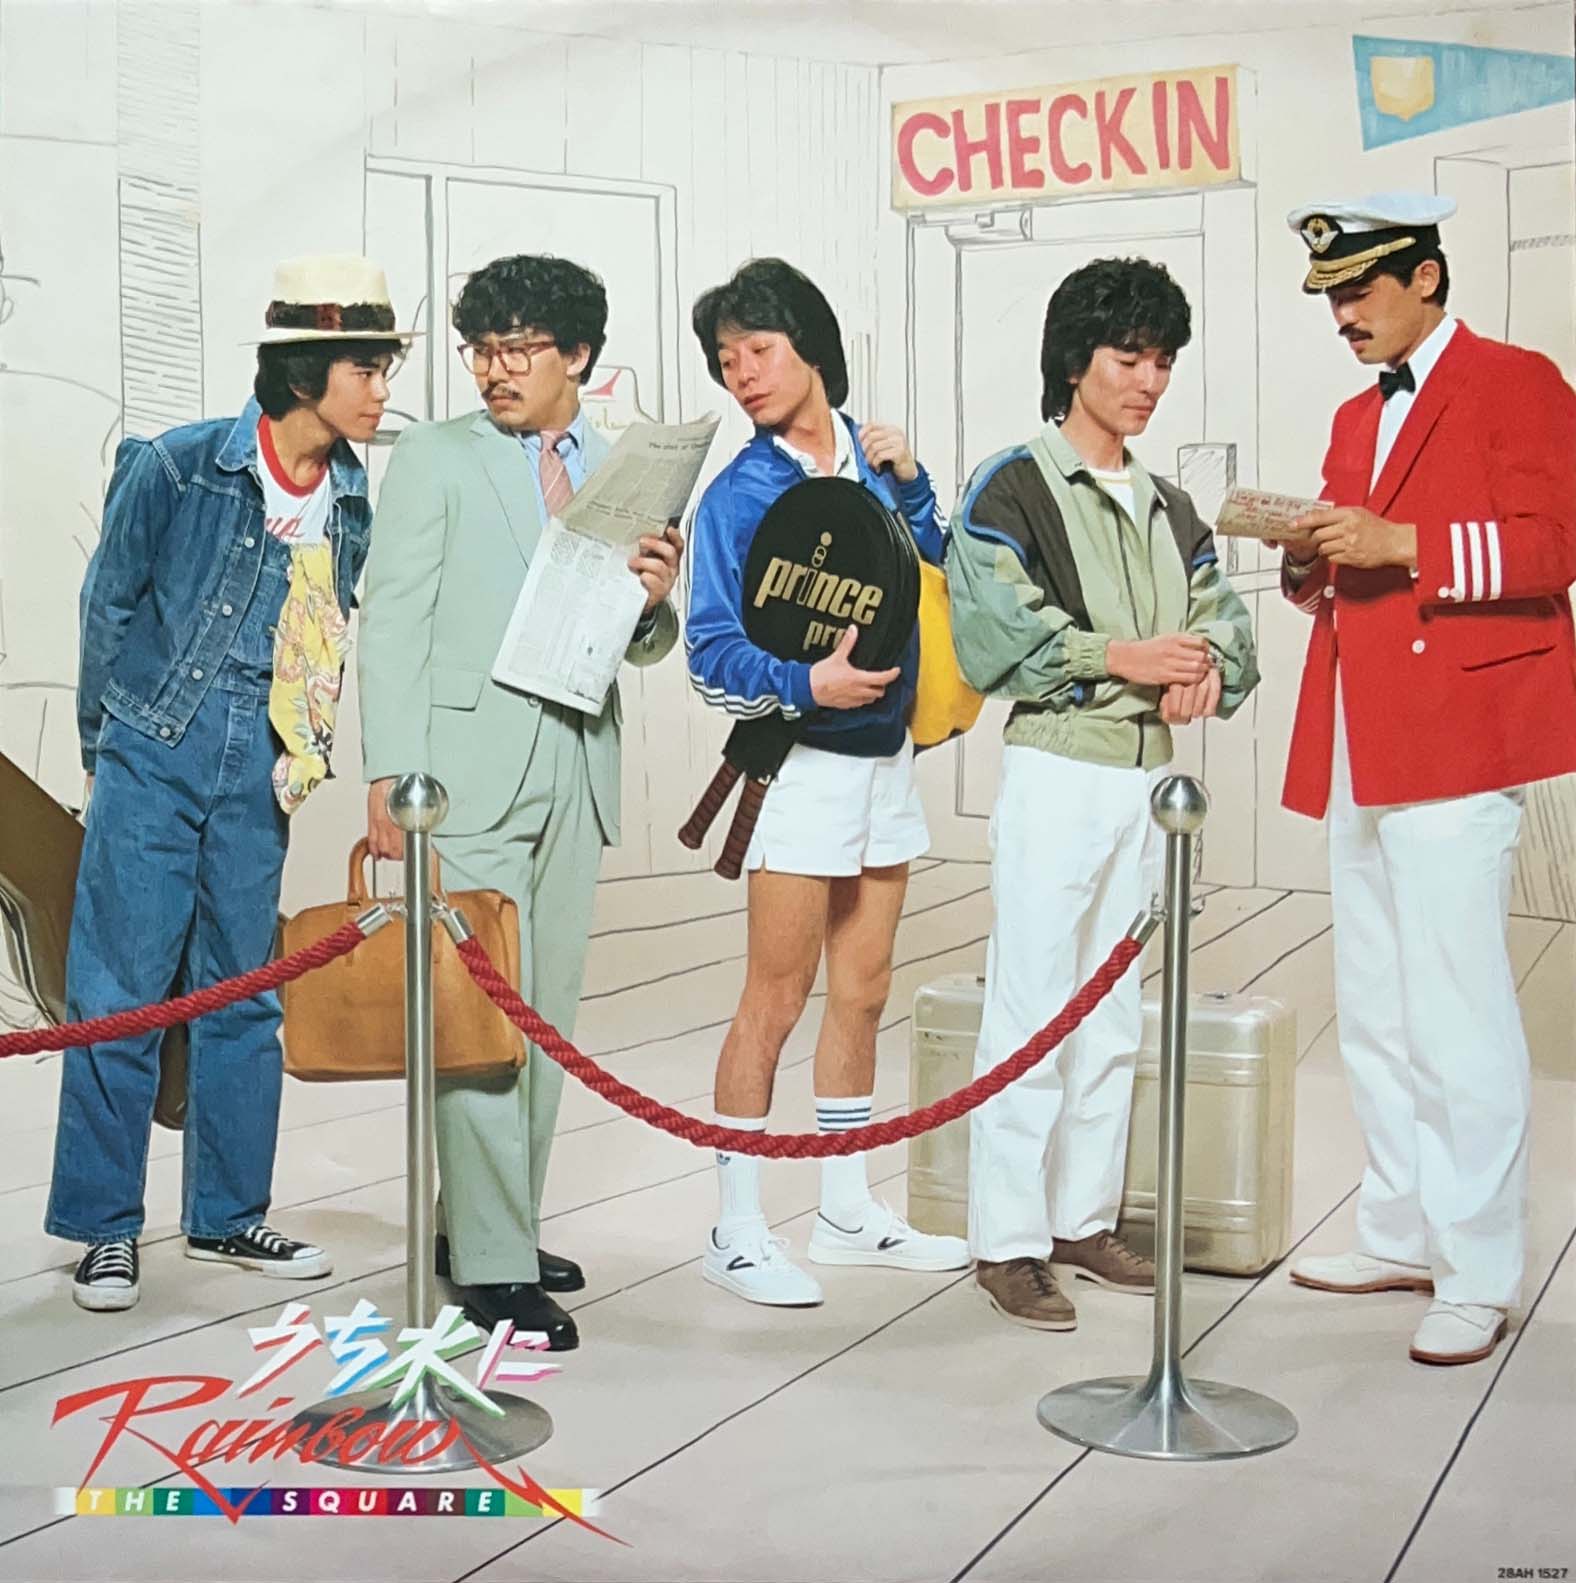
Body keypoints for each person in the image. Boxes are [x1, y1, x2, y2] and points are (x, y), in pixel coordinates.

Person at [49, 255, 411, 1311]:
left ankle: (226, 1211)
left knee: (244, 992)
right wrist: (106, 750)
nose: (381, 390)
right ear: (304, 373)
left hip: (261, 766)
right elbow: (108, 608)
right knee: (120, 992)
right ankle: (105, 1228)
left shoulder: (352, 494)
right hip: (152, 748)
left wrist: (301, 753)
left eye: (384, 368)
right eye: (366, 369)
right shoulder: (176, 466)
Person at [358, 254, 682, 1351]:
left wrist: (653, 601)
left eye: (518, 349)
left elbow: (637, 642)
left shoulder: (623, 466)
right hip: (466, 772)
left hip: (577, 764)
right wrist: (393, 774)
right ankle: (494, 1265)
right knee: (481, 1019)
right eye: (481, 350)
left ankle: (492, 1226)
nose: (494, 370)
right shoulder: (435, 457)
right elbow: (394, 617)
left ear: (576, 355)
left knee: (544, 1021)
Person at [1276, 195, 1576, 1366]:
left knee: (1457, 1008)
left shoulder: (1516, 380)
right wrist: (1305, 559)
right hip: (1362, 735)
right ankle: (1399, 1226)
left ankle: (1479, 1266)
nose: (1342, 317)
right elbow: (1337, 577)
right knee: (1375, 1001)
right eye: (1331, 298)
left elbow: (1554, 545)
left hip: (1458, 734)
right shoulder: (1354, 414)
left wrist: (1404, 543)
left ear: (1427, 278)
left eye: (1358, 292)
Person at [947, 257, 1259, 1331]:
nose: (1150, 381)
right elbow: (994, 638)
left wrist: (1209, 668)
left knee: (1115, 1009)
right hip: (1057, 772)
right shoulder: (1011, 487)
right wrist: (1125, 656)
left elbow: (1228, 626)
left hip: (1149, 784)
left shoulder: (1172, 504)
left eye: (1163, 360)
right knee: (1031, 1003)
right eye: (1130, 357)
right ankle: (1007, 1240)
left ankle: (1080, 1218)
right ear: (1075, 359)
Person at [685, 257, 969, 1306]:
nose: (744, 374)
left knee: (865, 986)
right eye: (727, 360)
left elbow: (938, 576)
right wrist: (809, 682)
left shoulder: (874, 462)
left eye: (759, 350)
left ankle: (846, 1209)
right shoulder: (738, 495)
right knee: (776, 993)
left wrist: (916, 484)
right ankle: (736, 1226)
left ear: (810, 347)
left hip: (887, 759)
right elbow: (710, 652)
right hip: (798, 767)